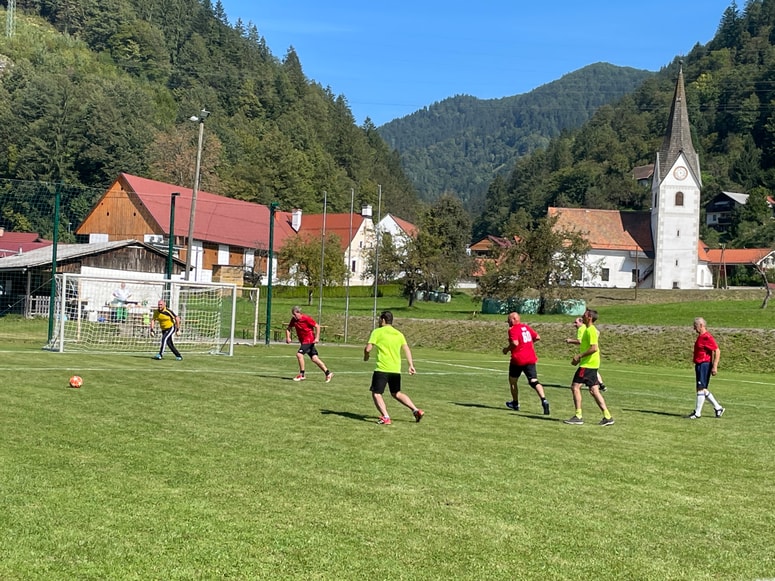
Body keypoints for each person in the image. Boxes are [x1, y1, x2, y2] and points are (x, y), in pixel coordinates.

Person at [364, 310, 423, 425]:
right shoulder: (399, 334)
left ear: (383, 320)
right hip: (396, 369)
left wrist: (366, 356)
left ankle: (385, 417)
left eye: (379, 319)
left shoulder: (377, 332)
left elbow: (368, 349)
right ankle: (416, 410)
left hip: (382, 368)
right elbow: (406, 349)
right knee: (396, 393)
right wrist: (411, 365)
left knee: (376, 393)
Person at [563, 309, 614, 426]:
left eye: (584, 315)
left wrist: (579, 356)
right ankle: (607, 416)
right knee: (594, 390)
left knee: (575, 387)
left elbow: (594, 348)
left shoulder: (590, 330)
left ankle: (578, 416)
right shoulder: (588, 329)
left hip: (588, 364)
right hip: (590, 364)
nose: (582, 316)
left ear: (589, 317)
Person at [502, 312, 550, 415]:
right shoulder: (526, 327)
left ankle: (515, 403)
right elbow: (537, 337)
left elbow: (515, 343)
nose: (508, 322)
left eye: (509, 320)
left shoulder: (513, 329)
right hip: (530, 358)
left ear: (513, 319)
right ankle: (544, 400)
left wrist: (506, 349)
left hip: (518, 359)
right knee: (534, 381)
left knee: (513, 381)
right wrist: (527, 345)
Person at [686, 317, 724, 419]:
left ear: (701, 325)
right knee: (702, 389)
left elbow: (717, 351)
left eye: (695, 326)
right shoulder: (701, 336)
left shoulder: (707, 337)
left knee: (700, 389)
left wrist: (715, 366)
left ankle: (697, 413)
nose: (694, 329)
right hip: (699, 364)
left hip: (704, 364)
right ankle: (718, 407)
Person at [285, 306, 333, 382]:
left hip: (309, 340)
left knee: (299, 354)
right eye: (292, 314)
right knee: (314, 358)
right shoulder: (294, 320)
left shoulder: (306, 318)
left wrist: (317, 338)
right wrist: (288, 337)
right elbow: (288, 328)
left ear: (299, 313)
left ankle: (302, 375)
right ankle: (328, 373)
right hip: (303, 341)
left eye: (294, 314)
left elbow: (317, 326)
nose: (293, 316)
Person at [566, 316, 607, 391]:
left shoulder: (582, 329)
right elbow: (598, 332)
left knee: (576, 386)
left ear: (581, 322)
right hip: (592, 356)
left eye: (576, 322)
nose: (574, 324)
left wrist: (570, 341)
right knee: (593, 372)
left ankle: (595, 384)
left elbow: (580, 341)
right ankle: (601, 384)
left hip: (587, 355)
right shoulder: (589, 328)